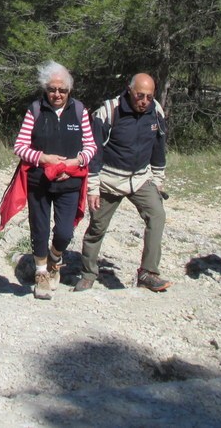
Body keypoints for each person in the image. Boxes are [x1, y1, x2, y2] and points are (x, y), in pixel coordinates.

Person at [75, 73, 171, 293]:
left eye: (148, 96)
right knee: (97, 227)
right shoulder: (109, 112)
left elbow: (158, 148)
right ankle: (88, 274)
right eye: (140, 95)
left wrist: (158, 180)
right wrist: (93, 187)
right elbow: (94, 152)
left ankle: (148, 273)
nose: (144, 101)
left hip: (140, 178)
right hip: (109, 179)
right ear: (129, 90)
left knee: (157, 215)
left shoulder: (155, 112)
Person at [12, 61, 97, 300]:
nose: (56, 94)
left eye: (62, 90)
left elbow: (91, 147)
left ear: (69, 90)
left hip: (70, 183)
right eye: (52, 89)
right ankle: (41, 273)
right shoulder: (35, 110)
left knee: (64, 232)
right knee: (39, 229)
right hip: (39, 182)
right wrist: (43, 158)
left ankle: (55, 258)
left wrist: (75, 162)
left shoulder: (79, 111)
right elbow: (19, 147)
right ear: (45, 89)